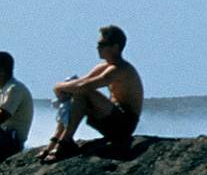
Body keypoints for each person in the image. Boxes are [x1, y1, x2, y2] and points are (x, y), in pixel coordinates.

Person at [38, 25, 143, 162]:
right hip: (110, 118)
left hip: (124, 125)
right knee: (75, 88)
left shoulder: (120, 69)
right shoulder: (103, 67)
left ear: (115, 47)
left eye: (102, 44)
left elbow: (85, 86)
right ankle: (57, 139)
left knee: (82, 91)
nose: (98, 48)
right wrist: (65, 87)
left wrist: (59, 86)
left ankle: (65, 142)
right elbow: (81, 82)